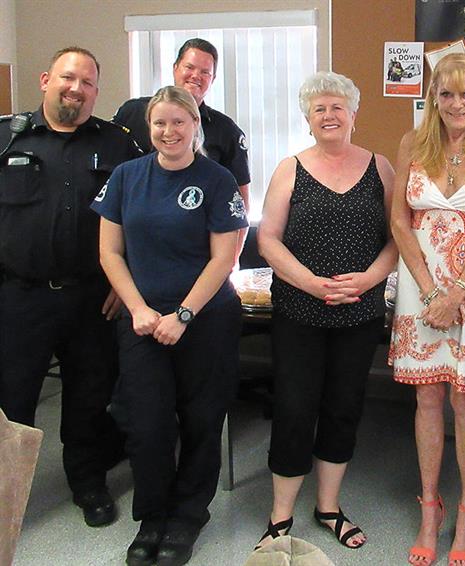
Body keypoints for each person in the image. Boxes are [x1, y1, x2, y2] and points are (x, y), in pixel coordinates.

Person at [93, 85, 247, 566]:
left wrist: (183, 314)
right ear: (149, 127)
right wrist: (139, 309)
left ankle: (187, 516)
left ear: (195, 124)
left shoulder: (217, 179)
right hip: (142, 321)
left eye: (179, 122)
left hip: (204, 318)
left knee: (203, 419)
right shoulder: (125, 177)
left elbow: (227, 256)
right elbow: (109, 252)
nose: (168, 131)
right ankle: (153, 515)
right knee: (148, 422)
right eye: (159, 123)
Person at [0, 47, 141, 528]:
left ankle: (87, 483)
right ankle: (5, 501)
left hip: (92, 299)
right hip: (20, 297)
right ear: (45, 79)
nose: (75, 89)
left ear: (96, 92)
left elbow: (140, 221)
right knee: (12, 402)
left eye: (87, 83)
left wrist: (127, 286)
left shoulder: (118, 145)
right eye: (67, 77)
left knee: (88, 396)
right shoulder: (6, 139)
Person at [255, 71, 396, 552]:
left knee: (343, 408)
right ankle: (280, 517)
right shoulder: (289, 168)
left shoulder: (382, 167)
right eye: (320, 109)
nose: (329, 115)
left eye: (338, 107)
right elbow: (267, 239)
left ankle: (328, 507)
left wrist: (368, 278)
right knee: (294, 409)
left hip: (359, 314)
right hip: (299, 310)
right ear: (308, 118)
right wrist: (310, 283)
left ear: (355, 115)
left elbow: (399, 239)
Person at [389, 53, 465, 566]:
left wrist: (457, 291)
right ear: (433, 99)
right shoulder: (413, 144)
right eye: (446, 94)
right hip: (420, 282)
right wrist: (428, 289)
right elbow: (399, 221)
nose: (456, 103)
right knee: (427, 401)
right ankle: (429, 508)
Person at [113, 38, 251, 251]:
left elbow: (240, 203)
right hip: (139, 245)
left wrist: (231, 261)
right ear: (175, 68)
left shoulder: (226, 130)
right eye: (189, 67)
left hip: (200, 251)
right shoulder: (131, 113)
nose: (196, 75)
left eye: (205, 72)